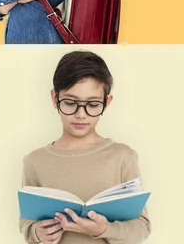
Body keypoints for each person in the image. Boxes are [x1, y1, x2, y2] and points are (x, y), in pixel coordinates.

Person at [20, 50, 151, 243]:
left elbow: (142, 227)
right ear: (54, 98)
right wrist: (37, 233)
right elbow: (27, 223)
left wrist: (105, 229)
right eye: (71, 102)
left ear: (107, 103)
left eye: (93, 104)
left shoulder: (123, 156)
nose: (81, 114)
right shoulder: (34, 161)